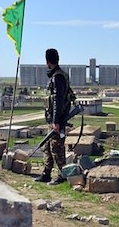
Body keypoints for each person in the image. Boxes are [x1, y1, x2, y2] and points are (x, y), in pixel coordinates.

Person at [34, 48, 72, 185]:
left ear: (47, 62)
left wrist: (56, 121)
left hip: (57, 120)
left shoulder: (57, 77)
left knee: (57, 149)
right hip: (53, 119)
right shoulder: (58, 75)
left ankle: (63, 175)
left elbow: (58, 100)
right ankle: (46, 174)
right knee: (47, 147)